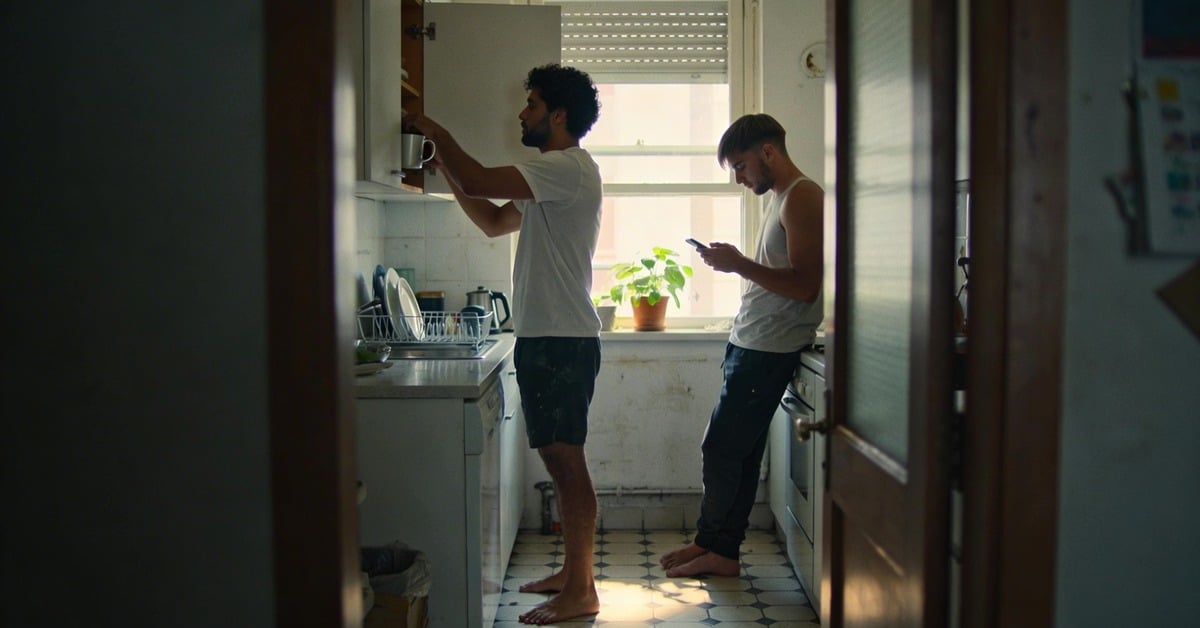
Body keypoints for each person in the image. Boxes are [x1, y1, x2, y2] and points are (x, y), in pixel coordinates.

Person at [404, 63, 603, 625]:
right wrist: (447, 169)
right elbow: (493, 219)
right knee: (562, 461)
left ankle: (583, 590)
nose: (522, 113)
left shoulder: (565, 168)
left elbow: (483, 179)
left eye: (532, 105)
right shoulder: (550, 180)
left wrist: (438, 135)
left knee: (567, 465)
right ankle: (572, 574)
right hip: (549, 336)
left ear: (558, 116)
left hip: (561, 338)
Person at [660, 113, 823, 578]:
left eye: (741, 165)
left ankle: (718, 548)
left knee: (721, 450)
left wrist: (738, 265)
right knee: (740, 454)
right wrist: (735, 264)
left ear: (768, 151)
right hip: (752, 344)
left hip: (769, 350)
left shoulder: (803, 197)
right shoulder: (781, 198)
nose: (739, 177)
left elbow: (806, 286)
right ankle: (717, 547)